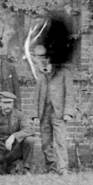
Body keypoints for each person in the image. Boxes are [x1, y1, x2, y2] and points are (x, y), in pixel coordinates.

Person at [33, 42, 71, 175]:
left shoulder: (64, 73)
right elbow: (37, 95)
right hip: (44, 113)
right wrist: (35, 115)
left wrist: (68, 113)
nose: (46, 61)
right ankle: (51, 168)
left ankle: (63, 168)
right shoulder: (41, 75)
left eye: (48, 58)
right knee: (45, 142)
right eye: (43, 58)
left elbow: (69, 93)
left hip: (58, 113)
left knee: (60, 140)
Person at [0, 90, 38, 175]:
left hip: (14, 149)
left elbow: (30, 129)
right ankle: (4, 172)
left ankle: (26, 169)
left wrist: (14, 136)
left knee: (30, 140)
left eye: (10, 103)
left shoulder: (19, 115)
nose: (8, 106)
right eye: (5, 103)